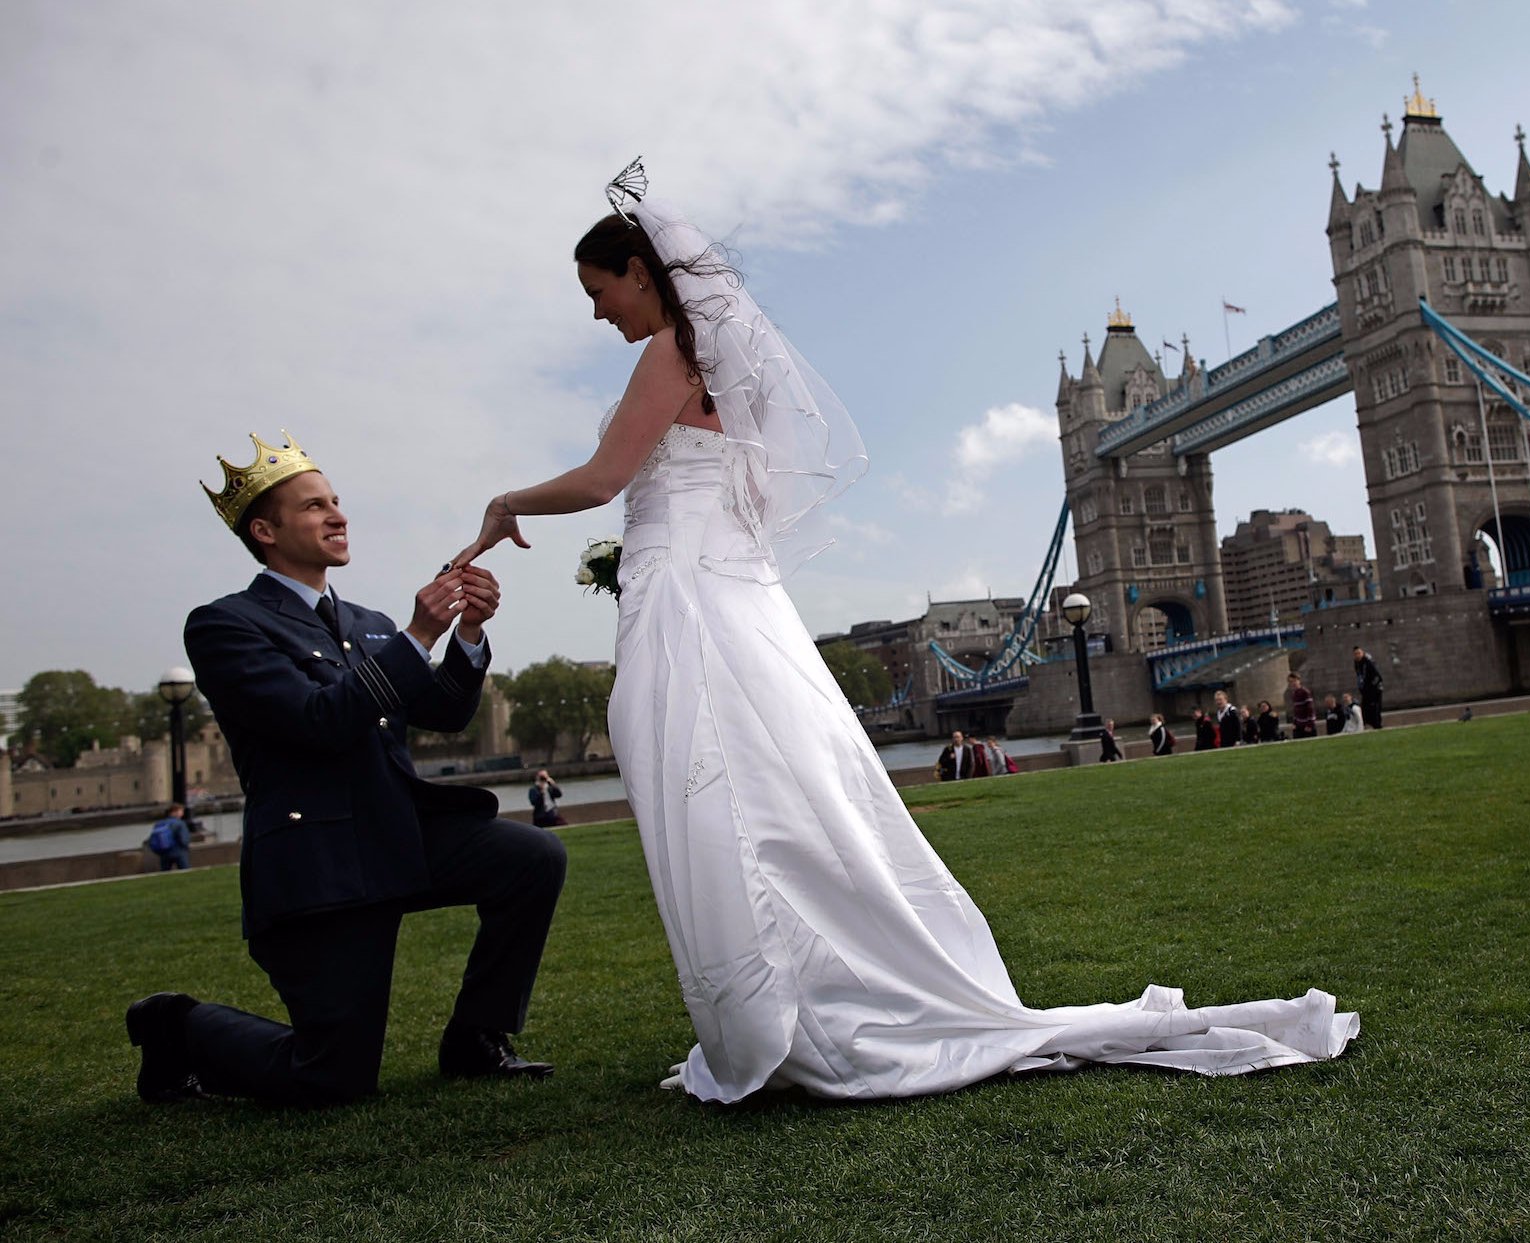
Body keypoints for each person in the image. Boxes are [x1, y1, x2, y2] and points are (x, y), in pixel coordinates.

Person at [454, 169, 1354, 1103]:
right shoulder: (725, 372)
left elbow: (607, 478)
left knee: (719, 799)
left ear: (638, 272)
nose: (597, 314)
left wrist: (507, 502)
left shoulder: (667, 357)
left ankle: (781, 1008)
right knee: (771, 796)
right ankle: (794, 996)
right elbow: (737, 501)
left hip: (686, 599)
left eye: (596, 292)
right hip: (726, 595)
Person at [124, 432, 568, 1109]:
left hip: (400, 834)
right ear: (265, 531)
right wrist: (419, 636)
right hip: (322, 862)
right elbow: (319, 720)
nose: (338, 514)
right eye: (314, 506)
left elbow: (444, 713)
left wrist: (466, 634)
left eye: (336, 501)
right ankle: (175, 1025)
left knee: (532, 855)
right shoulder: (225, 626)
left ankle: (477, 1038)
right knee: (331, 1078)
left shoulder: (367, 622)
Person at [145, 803, 192, 871]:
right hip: (178, 851)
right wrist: (186, 847)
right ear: (174, 812)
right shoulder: (179, 823)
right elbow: (183, 839)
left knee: (165, 872)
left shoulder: (159, 823)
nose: (182, 813)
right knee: (185, 871)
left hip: (163, 851)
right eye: (181, 811)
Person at [1353, 646, 1384, 729]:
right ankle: (1370, 724)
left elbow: (1378, 677)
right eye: (1355, 654)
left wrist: (1372, 688)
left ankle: (1377, 725)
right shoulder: (1357, 664)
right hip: (1366, 691)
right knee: (1365, 710)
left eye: (1359, 653)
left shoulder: (1368, 663)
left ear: (1362, 653)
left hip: (1374, 690)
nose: (1357, 655)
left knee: (1374, 709)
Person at [1287, 673, 1318, 739]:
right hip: (1298, 724)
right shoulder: (1294, 693)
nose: (1293, 683)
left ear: (1299, 681)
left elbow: (1310, 709)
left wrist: (1310, 724)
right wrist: (1294, 723)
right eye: (1291, 682)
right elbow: (1296, 710)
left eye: (1294, 681)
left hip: (1307, 725)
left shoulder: (1305, 692)